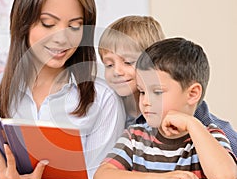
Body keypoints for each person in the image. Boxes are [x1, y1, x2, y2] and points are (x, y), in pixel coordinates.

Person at [0, 0, 126, 179]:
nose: (62, 38)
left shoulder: (102, 100)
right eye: (48, 24)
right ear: (23, 23)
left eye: (74, 26)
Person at [93, 37, 237, 179]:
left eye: (157, 92)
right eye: (142, 91)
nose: (146, 101)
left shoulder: (210, 136)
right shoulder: (135, 137)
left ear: (193, 94)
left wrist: (192, 123)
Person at [97, 15, 237, 156]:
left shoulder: (185, 106)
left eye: (128, 62)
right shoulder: (110, 106)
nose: (116, 71)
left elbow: (226, 140)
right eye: (109, 64)